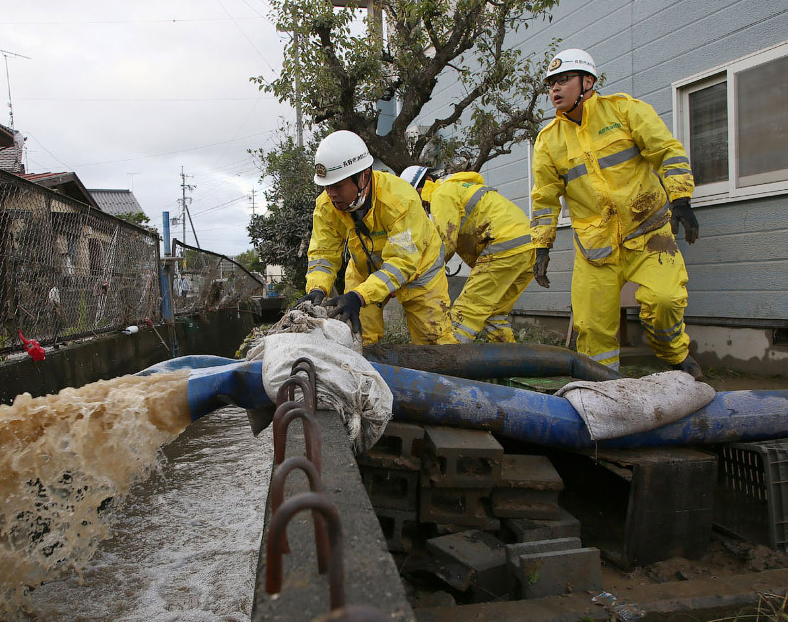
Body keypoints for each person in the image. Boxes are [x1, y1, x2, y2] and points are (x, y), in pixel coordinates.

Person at [530, 48, 702, 378]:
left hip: (649, 234)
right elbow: (544, 199)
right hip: (596, 249)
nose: (554, 89)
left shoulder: (624, 110)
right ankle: (604, 388)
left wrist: (681, 200)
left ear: (588, 81)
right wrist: (542, 245)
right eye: (551, 83)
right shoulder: (548, 141)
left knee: (665, 301)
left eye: (563, 80)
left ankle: (674, 353)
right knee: (593, 328)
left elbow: (666, 151)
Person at [299, 130, 455, 346]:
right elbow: (322, 254)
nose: (331, 193)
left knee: (434, 342)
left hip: (420, 270)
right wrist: (317, 289)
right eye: (326, 187)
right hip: (366, 270)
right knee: (359, 339)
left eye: (338, 186)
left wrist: (359, 297)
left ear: (363, 175)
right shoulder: (326, 206)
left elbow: (402, 263)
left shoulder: (400, 200)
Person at [403, 165, 535, 343]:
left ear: (427, 182)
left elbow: (444, 242)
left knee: (464, 315)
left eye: (416, 195)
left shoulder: (441, 193)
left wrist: (423, 272)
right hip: (527, 247)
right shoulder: (458, 187)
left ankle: (450, 364)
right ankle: (510, 365)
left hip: (503, 246)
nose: (419, 203)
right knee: (494, 314)